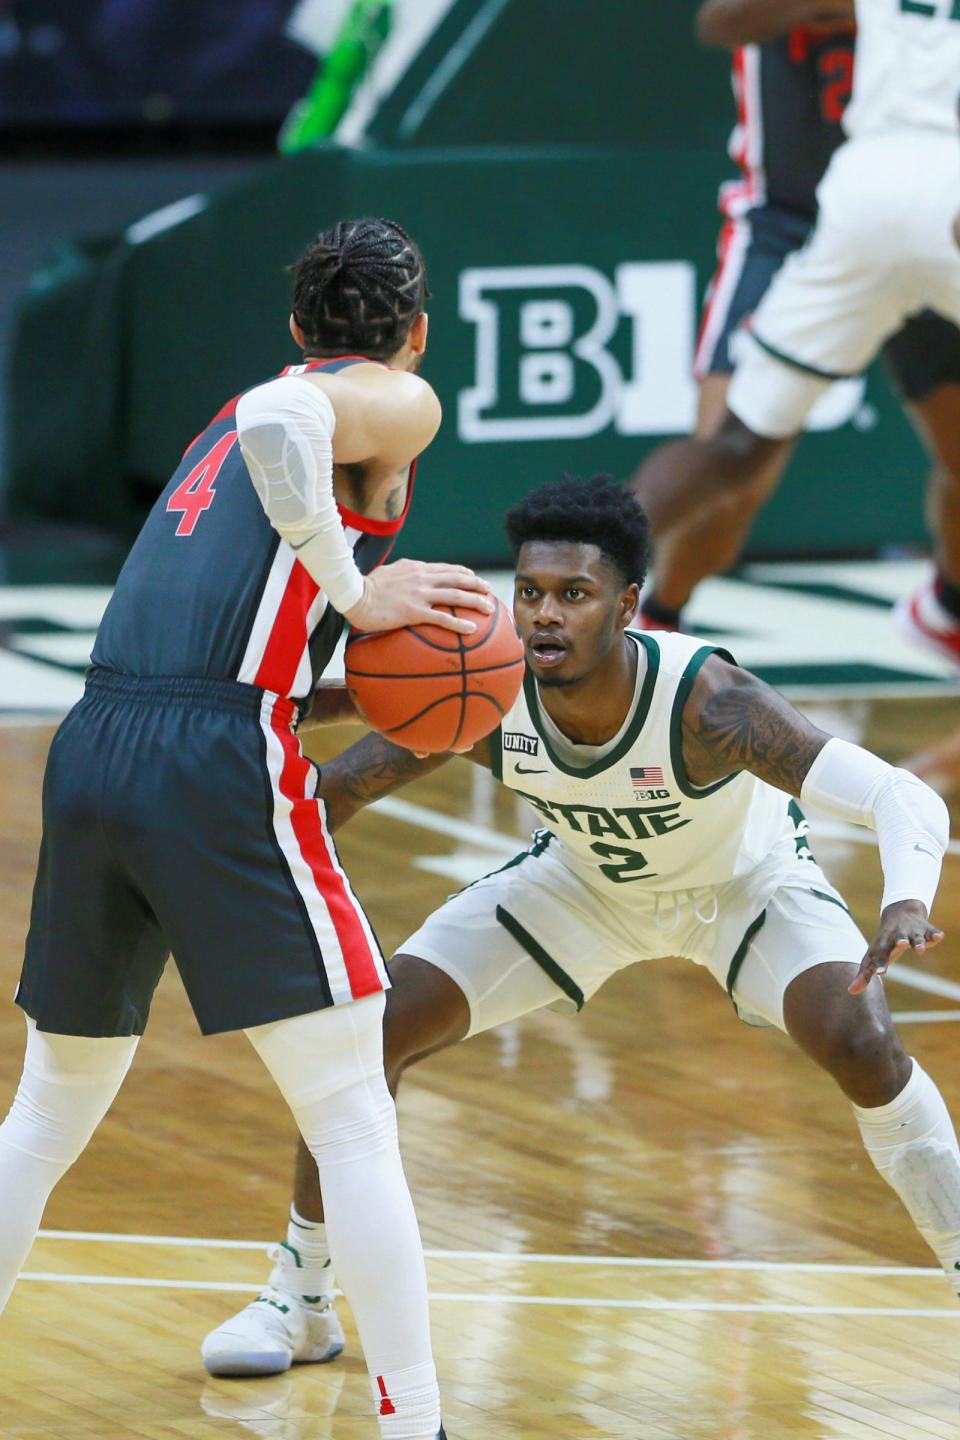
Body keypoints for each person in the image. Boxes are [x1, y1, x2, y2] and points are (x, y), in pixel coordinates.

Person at [203, 475, 956, 1379]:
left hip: (745, 889)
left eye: (573, 594)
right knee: (375, 1029)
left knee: (861, 1038)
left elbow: (894, 793)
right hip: (581, 888)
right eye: (529, 593)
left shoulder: (708, 701)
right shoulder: (486, 692)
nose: (545, 616)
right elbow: (339, 793)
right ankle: (301, 1298)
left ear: (628, 603)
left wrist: (906, 896)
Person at [0, 216, 498, 1440]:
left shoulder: (223, 433)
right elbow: (293, 423)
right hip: (207, 758)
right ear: (415, 332)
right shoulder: (372, 400)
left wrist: (342, 675)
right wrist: (357, 587)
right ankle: (417, 1420)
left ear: (295, 321)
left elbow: (225, 627)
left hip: (101, 740)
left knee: (49, 1114)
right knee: (349, 1115)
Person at [634, 0, 960, 674]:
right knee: (735, 469)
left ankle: (949, 610)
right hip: (789, 221)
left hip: (911, 203)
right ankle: (658, 613)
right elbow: (718, 21)